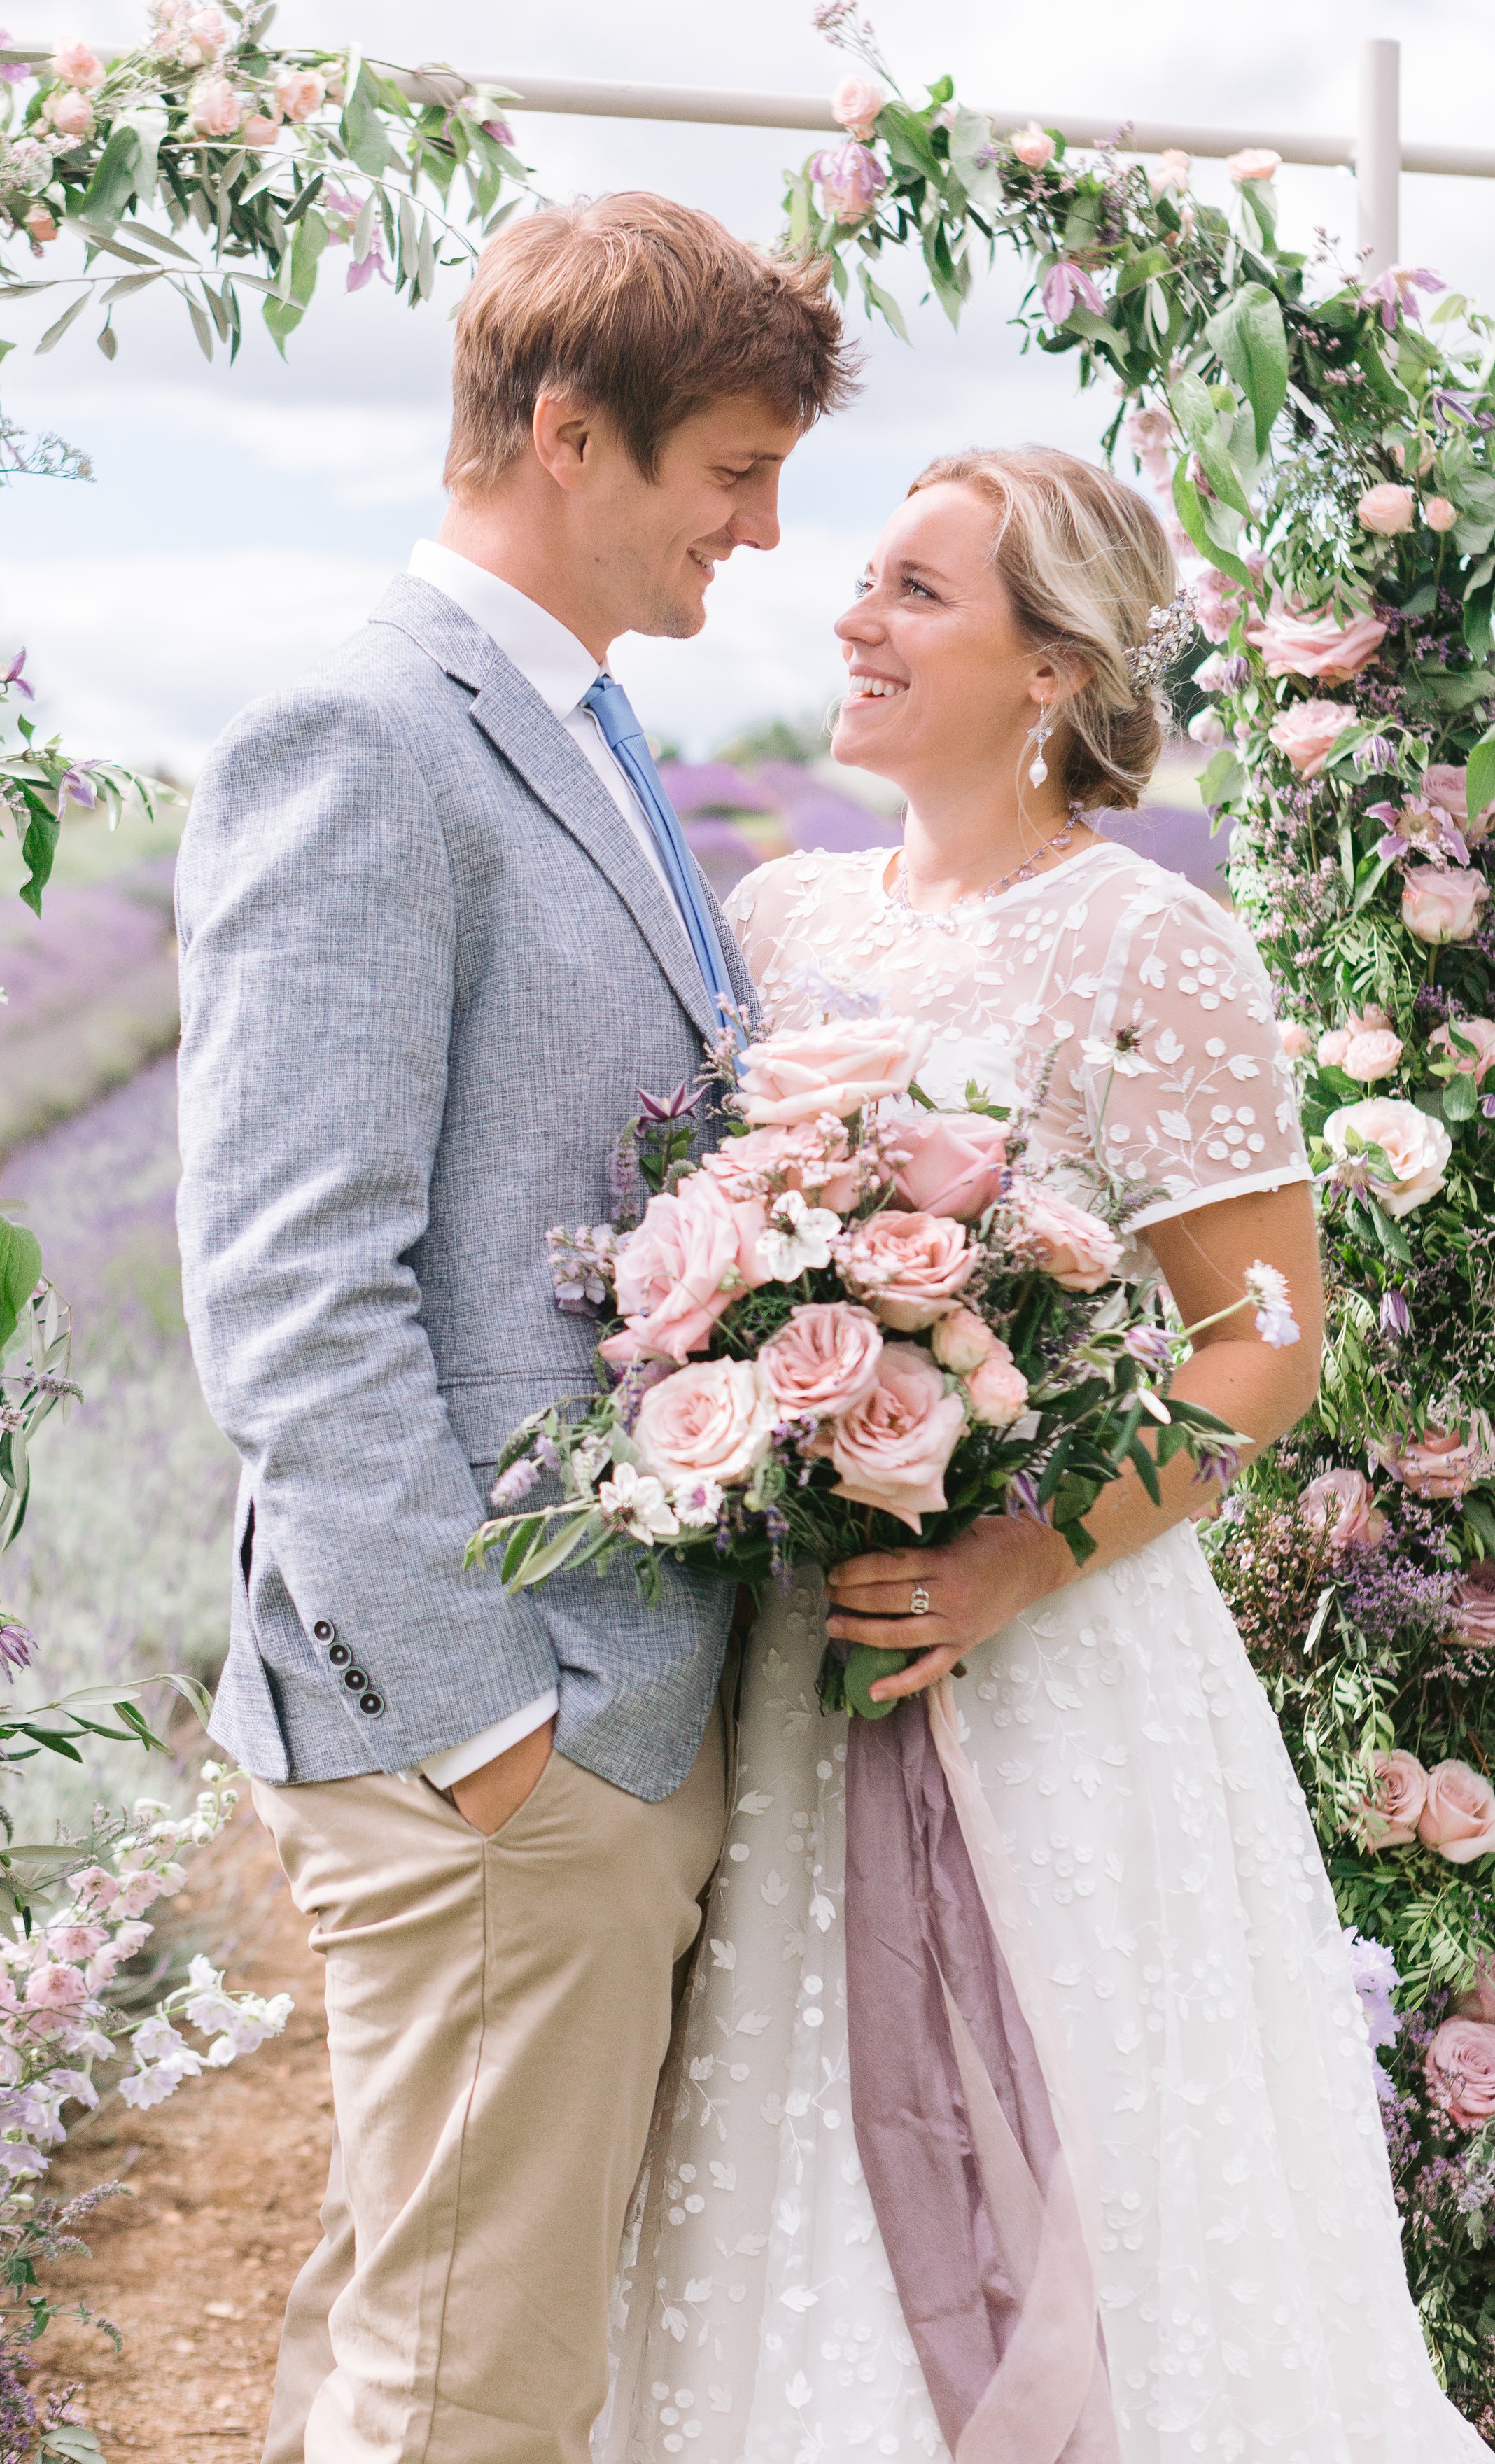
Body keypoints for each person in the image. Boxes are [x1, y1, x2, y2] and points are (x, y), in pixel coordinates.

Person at [602, 447, 1485, 2460]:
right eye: (863, 578)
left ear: (1050, 670)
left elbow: (1261, 1342)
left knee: (1099, 2147)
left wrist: (1018, 1556)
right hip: (791, 1659)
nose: (851, 618)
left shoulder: (1143, 944)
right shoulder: (773, 911)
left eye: (915, 591)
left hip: (1051, 1660)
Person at [173, 193, 855, 2464]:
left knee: (424, 2323)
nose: (764, 532)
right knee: (475, 2391)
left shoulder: (576, 727)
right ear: (571, 434)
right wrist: (486, 1724)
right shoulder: (363, 730)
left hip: (592, 1714)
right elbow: (289, 1283)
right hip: (499, 1728)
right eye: (729, 472)